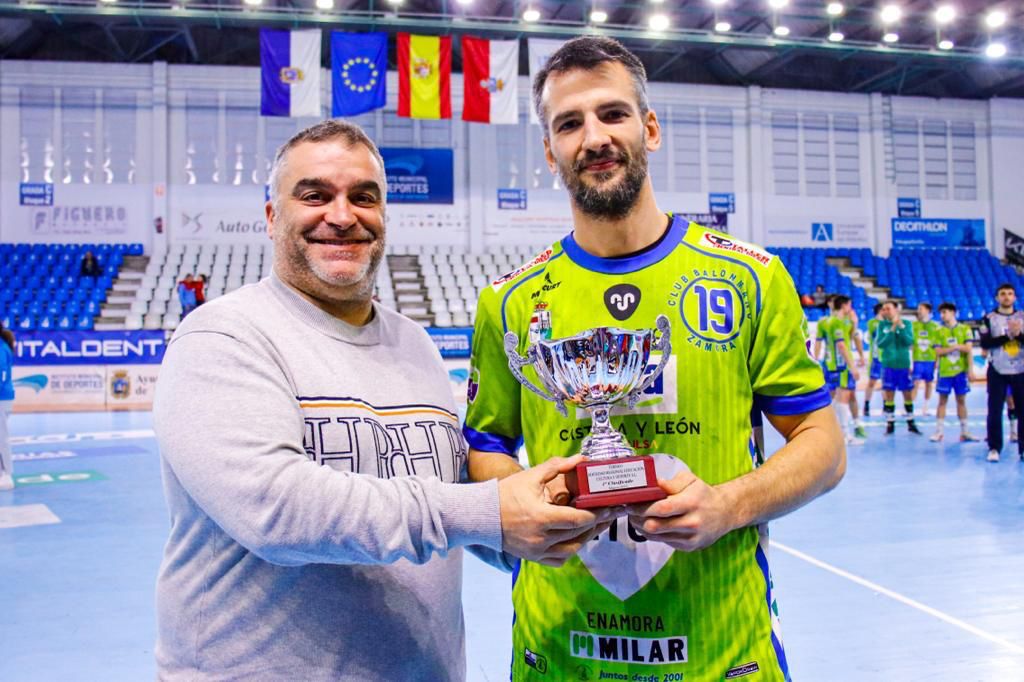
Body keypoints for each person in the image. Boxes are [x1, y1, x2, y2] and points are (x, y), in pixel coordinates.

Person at [152, 119, 610, 680]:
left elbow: (450, 500)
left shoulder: (413, 344)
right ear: (273, 218)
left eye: (363, 198)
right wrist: (488, 511)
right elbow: (274, 509)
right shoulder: (223, 335)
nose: (342, 216)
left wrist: (558, 515)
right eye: (315, 195)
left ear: (384, 218)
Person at [464, 36, 845, 681]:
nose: (594, 137)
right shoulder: (509, 301)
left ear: (650, 127)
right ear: (550, 153)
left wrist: (729, 504)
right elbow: (483, 443)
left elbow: (824, 445)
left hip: (723, 655)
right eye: (569, 123)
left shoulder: (751, 278)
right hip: (558, 653)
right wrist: (519, 504)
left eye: (612, 114)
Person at [978, 283, 1024, 462]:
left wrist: (1018, 334)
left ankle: (1022, 449)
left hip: (1020, 369)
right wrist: (1008, 336)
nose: (1006, 297)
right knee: (994, 410)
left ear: (1015, 297)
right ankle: (994, 447)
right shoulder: (988, 318)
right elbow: (985, 343)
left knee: (1022, 410)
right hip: (997, 369)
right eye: (1003, 294)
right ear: (997, 298)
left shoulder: (1022, 316)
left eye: (1010, 294)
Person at [817, 295, 863, 445]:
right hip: (841, 365)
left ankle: (831, 430)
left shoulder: (826, 321)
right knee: (843, 397)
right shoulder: (838, 322)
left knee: (833, 398)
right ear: (844, 306)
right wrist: (853, 366)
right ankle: (844, 434)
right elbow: (842, 345)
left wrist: (854, 324)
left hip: (829, 364)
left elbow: (819, 342)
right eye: (849, 305)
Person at [930, 302, 978, 443]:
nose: (942, 315)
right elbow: (938, 351)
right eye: (941, 313)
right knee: (942, 401)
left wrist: (970, 369)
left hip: (960, 372)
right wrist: (957, 346)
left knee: (961, 401)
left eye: (945, 312)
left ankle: (965, 432)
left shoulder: (965, 329)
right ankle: (939, 432)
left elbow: (968, 349)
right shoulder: (938, 331)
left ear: (953, 312)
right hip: (944, 372)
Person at [876, 299, 921, 435]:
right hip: (888, 364)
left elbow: (909, 341)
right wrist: (892, 329)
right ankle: (890, 424)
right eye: (883, 309)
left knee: (907, 394)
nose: (885, 311)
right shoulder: (882, 325)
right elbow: (881, 344)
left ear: (896, 310)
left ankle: (911, 423)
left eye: (888, 308)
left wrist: (900, 328)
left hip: (903, 365)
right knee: (889, 394)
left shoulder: (906, 324)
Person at [911, 302, 940, 416]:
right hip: (918, 359)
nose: (919, 311)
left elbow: (938, 345)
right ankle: (910, 407)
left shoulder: (935, 326)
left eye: (921, 309)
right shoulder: (914, 325)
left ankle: (926, 407)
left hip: (930, 359)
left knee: (929, 383)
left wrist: (937, 360)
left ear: (928, 310)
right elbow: (912, 344)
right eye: (918, 309)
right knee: (915, 382)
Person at [863, 303, 884, 416]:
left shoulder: (887, 323)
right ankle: (866, 404)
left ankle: (886, 405)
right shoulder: (873, 323)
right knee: (872, 382)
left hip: (886, 359)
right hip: (876, 358)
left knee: (886, 383)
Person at [0, 324, 14, 491]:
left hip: (1, 398)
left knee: (1, 437)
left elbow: (1, 375)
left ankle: (7, 474)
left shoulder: (1, 348)